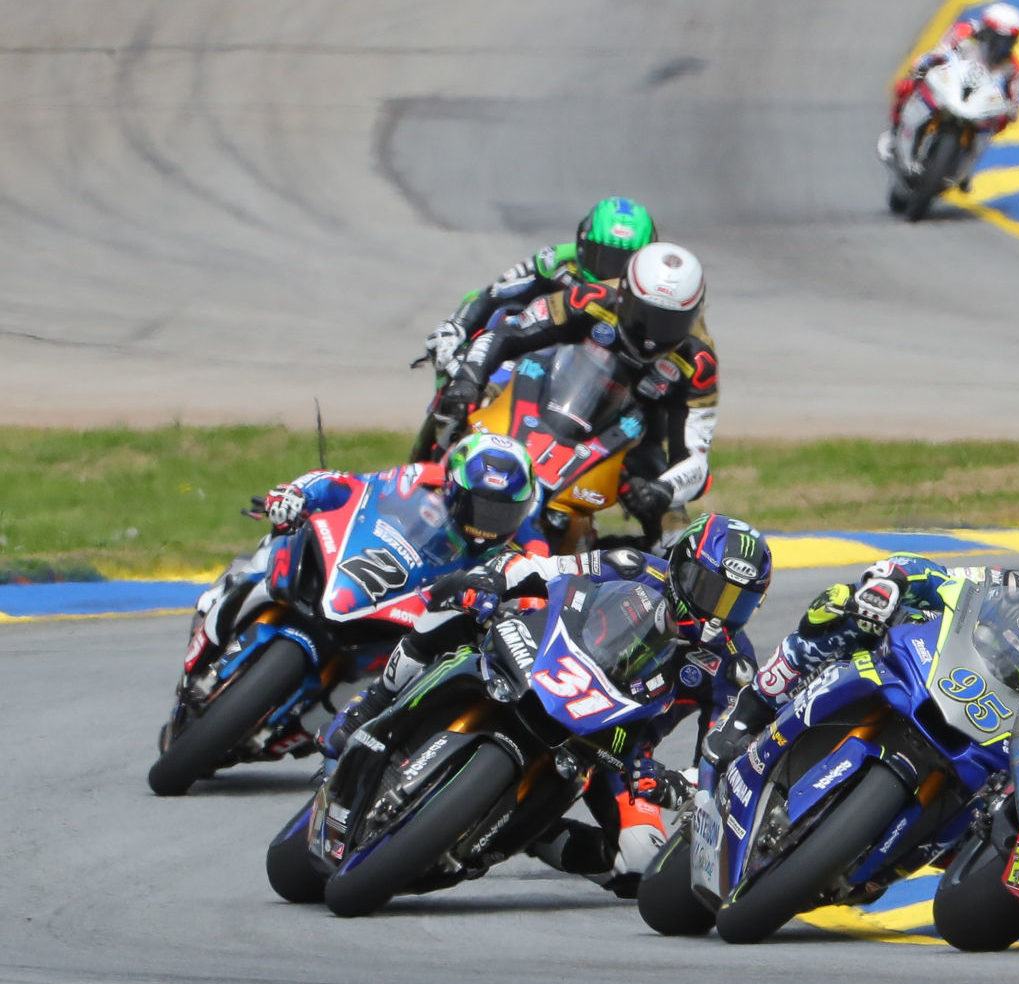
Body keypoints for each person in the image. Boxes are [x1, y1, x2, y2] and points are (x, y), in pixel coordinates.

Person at [325, 512, 774, 896]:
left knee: (640, 863)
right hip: (545, 658)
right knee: (457, 600)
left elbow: (722, 756)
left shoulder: (732, 666)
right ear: (681, 564)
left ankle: (532, 833)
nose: (718, 611)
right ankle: (376, 701)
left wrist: (676, 782)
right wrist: (494, 579)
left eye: (737, 602)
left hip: (616, 745)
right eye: (710, 589)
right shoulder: (631, 565)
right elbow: (545, 568)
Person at [703, 542, 1019, 764]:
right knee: (839, 606)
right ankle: (754, 705)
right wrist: (889, 583)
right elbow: (934, 576)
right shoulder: (1016, 588)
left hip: (999, 746)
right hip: (943, 672)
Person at [437, 241, 720, 547]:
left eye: (670, 323)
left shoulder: (698, 363)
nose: (652, 337)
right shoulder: (593, 299)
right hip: (556, 390)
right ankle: (427, 476)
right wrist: (468, 379)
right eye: (644, 317)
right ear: (624, 294)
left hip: (635, 434)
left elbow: (696, 462)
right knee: (455, 404)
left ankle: (615, 572)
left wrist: (663, 489)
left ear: (694, 315)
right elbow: (508, 333)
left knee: (676, 538)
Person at [188, 432, 548, 663]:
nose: (487, 522)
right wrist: (296, 494)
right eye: (480, 506)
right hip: (372, 565)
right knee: (280, 539)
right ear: (454, 488)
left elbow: (540, 588)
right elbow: (352, 486)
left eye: (502, 512)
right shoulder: (423, 479)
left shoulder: (530, 541)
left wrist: (512, 604)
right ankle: (222, 601)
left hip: (422, 610)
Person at [411, 197, 657, 461]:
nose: (610, 275)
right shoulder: (554, 261)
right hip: (533, 349)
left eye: (623, 265)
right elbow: (493, 295)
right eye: (604, 258)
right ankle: (437, 447)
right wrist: (456, 328)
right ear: (583, 247)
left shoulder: (654, 293)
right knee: (468, 359)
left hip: (594, 374)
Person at [878, 1, 1019, 186]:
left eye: (1009, 41)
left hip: (978, 103)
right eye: (998, 39)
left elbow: (1015, 96)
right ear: (987, 30)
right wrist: (929, 61)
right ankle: (894, 132)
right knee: (907, 84)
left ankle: (967, 168)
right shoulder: (965, 31)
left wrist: (1011, 110)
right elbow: (941, 50)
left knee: (999, 122)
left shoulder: (1012, 66)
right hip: (950, 84)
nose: (1003, 46)